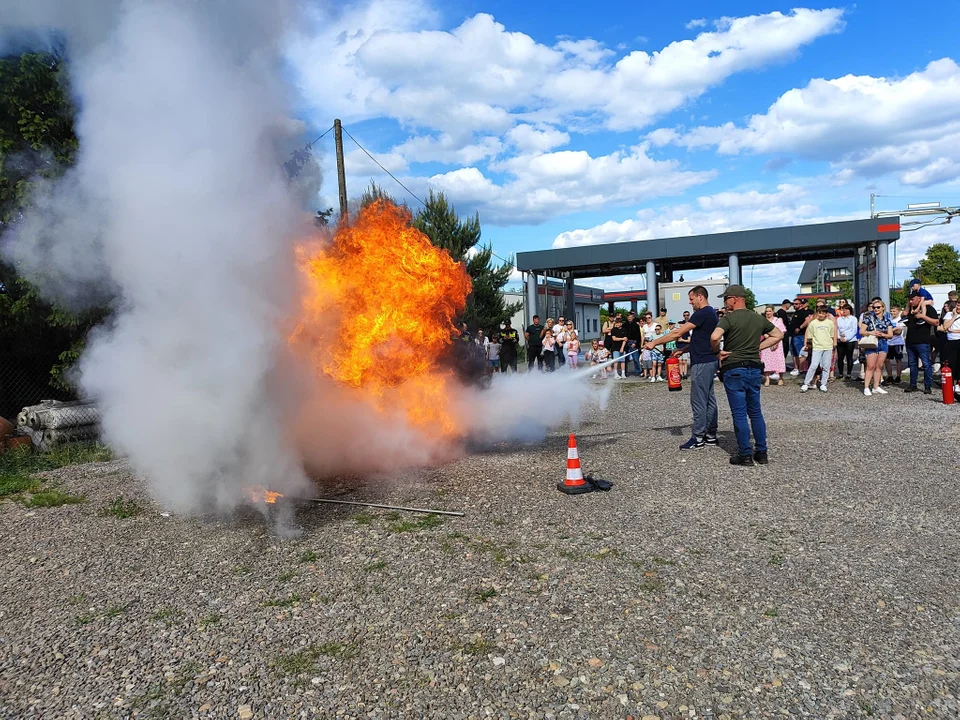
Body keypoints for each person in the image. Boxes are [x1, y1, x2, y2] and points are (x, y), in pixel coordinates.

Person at [711, 284, 783, 466]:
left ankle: (744, 455)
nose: (725, 302)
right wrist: (755, 347)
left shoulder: (729, 318)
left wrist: (717, 352)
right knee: (756, 412)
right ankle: (762, 452)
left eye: (726, 299)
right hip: (754, 368)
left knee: (740, 414)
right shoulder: (757, 318)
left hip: (734, 369)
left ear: (734, 299)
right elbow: (777, 335)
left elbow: (714, 337)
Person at [644, 285, 719, 450]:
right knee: (709, 399)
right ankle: (711, 435)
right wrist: (683, 350)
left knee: (699, 400)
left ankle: (698, 437)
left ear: (700, 297)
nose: (690, 303)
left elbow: (677, 333)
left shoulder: (702, 313)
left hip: (702, 362)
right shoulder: (711, 313)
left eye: (692, 299)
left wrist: (654, 342)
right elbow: (702, 338)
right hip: (709, 359)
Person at [903, 290, 939, 394]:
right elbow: (905, 318)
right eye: (909, 299)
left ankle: (928, 386)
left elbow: (936, 322)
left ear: (919, 298)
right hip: (910, 341)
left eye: (912, 299)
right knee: (913, 364)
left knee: (926, 364)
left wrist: (923, 316)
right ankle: (912, 384)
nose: (910, 301)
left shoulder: (928, 309)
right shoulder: (910, 309)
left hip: (923, 341)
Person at [858, 298, 893, 396]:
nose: (876, 309)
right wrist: (871, 332)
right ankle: (866, 387)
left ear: (883, 308)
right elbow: (861, 331)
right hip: (872, 343)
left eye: (878, 307)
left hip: (883, 343)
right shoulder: (868, 318)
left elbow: (890, 334)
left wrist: (882, 334)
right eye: (874, 307)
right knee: (870, 366)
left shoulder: (887, 320)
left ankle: (876, 386)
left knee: (879, 366)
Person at [800, 305, 835, 393]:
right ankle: (806, 383)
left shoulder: (830, 323)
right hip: (817, 347)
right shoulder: (813, 323)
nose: (820, 315)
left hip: (828, 347)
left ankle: (823, 384)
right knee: (814, 365)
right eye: (819, 313)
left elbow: (832, 335)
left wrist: (834, 343)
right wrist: (808, 345)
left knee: (826, 366)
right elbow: (809, 336)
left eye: (823, 313)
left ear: (826, 314)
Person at [760, 305, 786, 386]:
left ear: (773, 311)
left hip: (777, 342)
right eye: (767, 311)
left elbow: (782, 331)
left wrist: (775, 341)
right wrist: (767, 337)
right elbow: (762, 331)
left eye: (770, 311)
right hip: (767, 342)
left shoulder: (778, 320)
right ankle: (767, 379)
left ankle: (781, 378)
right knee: (766, 360)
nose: (768, 313)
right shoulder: (763, 321)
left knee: (779, 359)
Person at [883, 305, 905, 385]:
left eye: (894, 311)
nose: (892, 313)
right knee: (887, 359)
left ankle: (898, 376)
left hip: (898, 342)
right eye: (891, 311)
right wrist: (892, 330)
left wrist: (890, 331)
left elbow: (898, 332)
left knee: (898, 360)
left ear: (898, 311)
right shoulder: (889, 320)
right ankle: (890, 376)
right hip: (889, 342)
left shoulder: (900, 320)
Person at [788, 298, 812, 375]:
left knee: (801, 353)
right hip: (794, 336)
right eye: (793, 304)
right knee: (794, 353)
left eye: (796, 304)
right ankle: (796, 368)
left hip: (800, 336)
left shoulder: (803, 312)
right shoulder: (796, 312)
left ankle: (803, 369)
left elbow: (808, 320)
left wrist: (800, 327)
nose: (794, 305)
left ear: (801, 304)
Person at [941, 300, 960, 394]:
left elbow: (950, 329)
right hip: (951, 341)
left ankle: (958, 383)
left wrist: (954, 331)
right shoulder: (949, 314)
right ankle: (950, 384)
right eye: (957, 305)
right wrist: (955, 316)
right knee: (951, 362)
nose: (958, 307)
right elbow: (945, 326)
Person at [835, 304, 858, 380]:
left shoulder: (853, 319)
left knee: (849, 357)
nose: (844, 311)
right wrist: (839, 337)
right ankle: (841, 373)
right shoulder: (839, 319)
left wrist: (847, 338)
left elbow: (854, 330)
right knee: (840, 357)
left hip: (850, 340)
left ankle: (849, 373)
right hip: (840, 339)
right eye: (843, 309)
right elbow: (837, 329)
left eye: (846, 309)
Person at [624, 311, 642, 377]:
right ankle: (625, 372)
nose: (629, 318)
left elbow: (638, 336)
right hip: (626, 342)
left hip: (634, 342)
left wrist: (636, 343)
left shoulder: (636, 325)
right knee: (626, 359)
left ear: (633, 317)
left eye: (631, 317)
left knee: (635, 359)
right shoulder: (624, 325)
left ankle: (638, 371)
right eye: (628, 317)